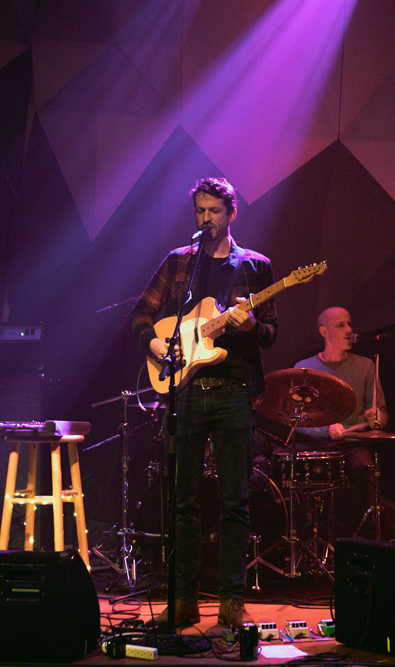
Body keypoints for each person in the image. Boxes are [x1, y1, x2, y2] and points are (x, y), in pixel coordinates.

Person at [130, 177, 277, 628]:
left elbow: (270, 333)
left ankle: (232, 601)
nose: (206, 218)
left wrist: (250, 326)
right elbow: (141, 315)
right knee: (183, 502)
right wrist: (158, 347)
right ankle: (183, 600)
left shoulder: (255, 266)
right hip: (186, 393)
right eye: (200, 210)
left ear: (231, 213)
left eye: (214, 210)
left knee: (235, 501)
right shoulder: (180, 261)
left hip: (234, 391)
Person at [293, 307, 387, 535]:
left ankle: (367, 538)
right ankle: (301, 536)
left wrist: (376, 417)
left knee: (366, 467)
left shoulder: (366, 365)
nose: (349, 330)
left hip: (351, 444)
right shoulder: (304, 368)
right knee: (286, 468)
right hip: (314, 445)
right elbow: (298, 418)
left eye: (349, 324)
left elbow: (382, 413)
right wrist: (325, 430)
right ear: (324, 332)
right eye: (340, 325)